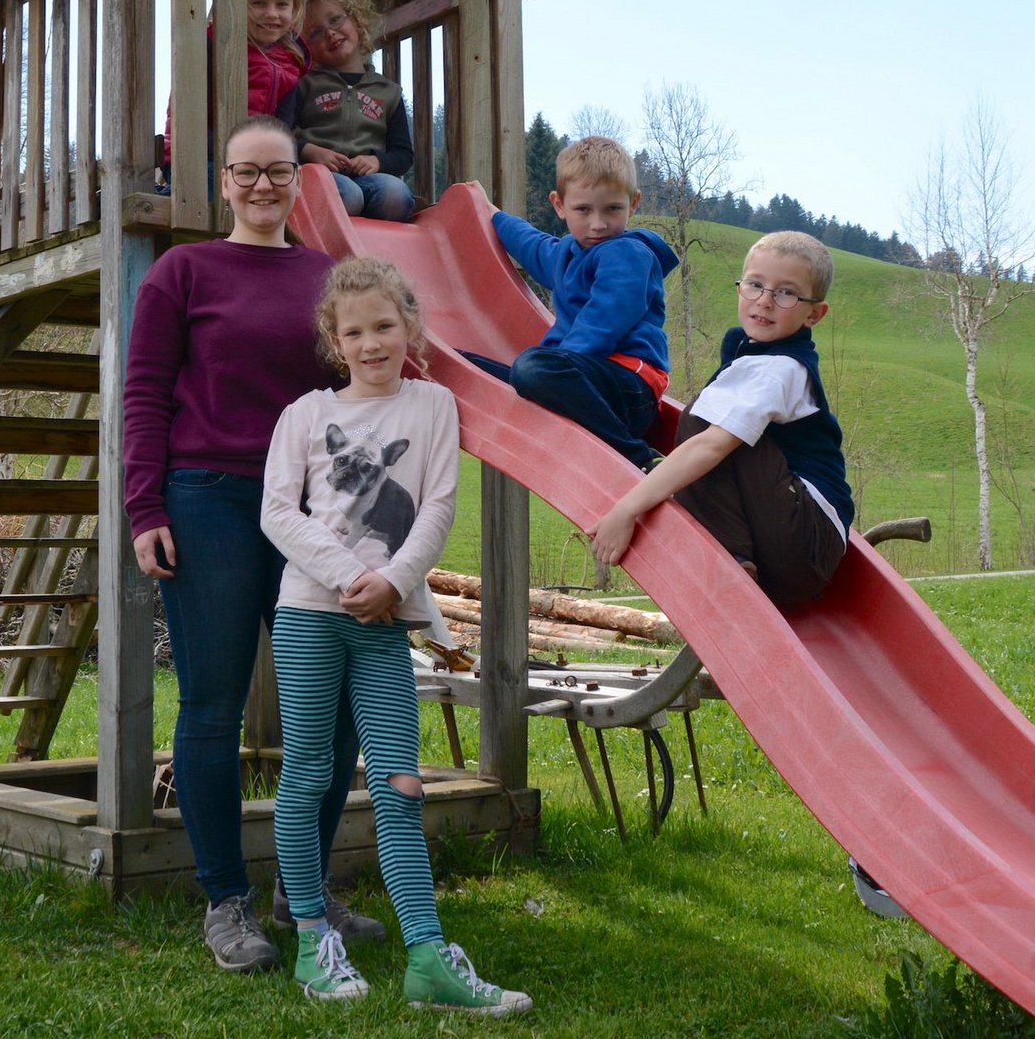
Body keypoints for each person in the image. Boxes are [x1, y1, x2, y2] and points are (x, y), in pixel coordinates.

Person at [123, 115, 383, 973]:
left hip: (316, 514)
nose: (264, 185)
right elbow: (146, 393)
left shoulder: (326, 279)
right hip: (210, 502)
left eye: (279, 171)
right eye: (247, 171)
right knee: (212, 706)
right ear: (223, 179)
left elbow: (362, 386)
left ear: (298, 180)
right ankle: (227, 903)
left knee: (337, 704)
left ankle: (300, 891)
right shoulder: (182, 272)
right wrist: (144, 507)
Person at [261, 256, 532, 1014]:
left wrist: (393, 584)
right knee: (309, 774)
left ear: (410, 328)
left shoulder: (434, 406)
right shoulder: (306, 415)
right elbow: (278, 513)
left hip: (385, 623)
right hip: (311, 615)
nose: (372, 342)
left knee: (400, 785)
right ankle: (315, 942)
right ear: (333, 339)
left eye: (385, 326)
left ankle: (426, 960)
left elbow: (438, 506)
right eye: (355, 331)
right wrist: (354, 576)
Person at [589, 230, 854, 608]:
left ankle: (732, 560)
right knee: (708, 422)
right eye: (756, 285)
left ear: (814, 312)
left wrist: (627, 507)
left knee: (704, 425)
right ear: (740, 286)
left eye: (787, 293)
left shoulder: (777, 369)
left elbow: (711, 445)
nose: (765, 301)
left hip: (803, 538)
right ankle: (739, 560)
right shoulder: (762, 359)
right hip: (797, 554)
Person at [465, 136, 678, 470]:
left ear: (633, 203)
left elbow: (604, 321)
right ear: (559, 205)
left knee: (532, 368)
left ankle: (640, 458)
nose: (598, 223)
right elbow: (533, 245)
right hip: (581, 377)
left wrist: (555, 361)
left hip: (627, 387)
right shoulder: (568, 254)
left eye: (613, 209)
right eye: (583, 209)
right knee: (467, 365)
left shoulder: (628, 254)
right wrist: (492, 214)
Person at [159, 0, 309, 189]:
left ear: (294, 9)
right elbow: (188, 116)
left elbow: (283, 127)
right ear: (235, 3)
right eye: (259, 3)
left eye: (282, 4)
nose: (272, 14)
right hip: (196, 156)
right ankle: (166, 191)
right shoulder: (213, 47)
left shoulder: (290, 64)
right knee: (224, 187)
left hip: (252, 163)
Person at [293, 0, 415, 221]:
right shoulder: (305, 85)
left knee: (397, 195)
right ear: (307, 46)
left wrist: (377, 162)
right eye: (315, 33)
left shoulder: (388, 92)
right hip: (322, 175)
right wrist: (309, 151)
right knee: (348, 195)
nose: (330, 33)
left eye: (336, 20)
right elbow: (282, 135)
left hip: (369, 178)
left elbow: (403, 154)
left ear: (357, 20)